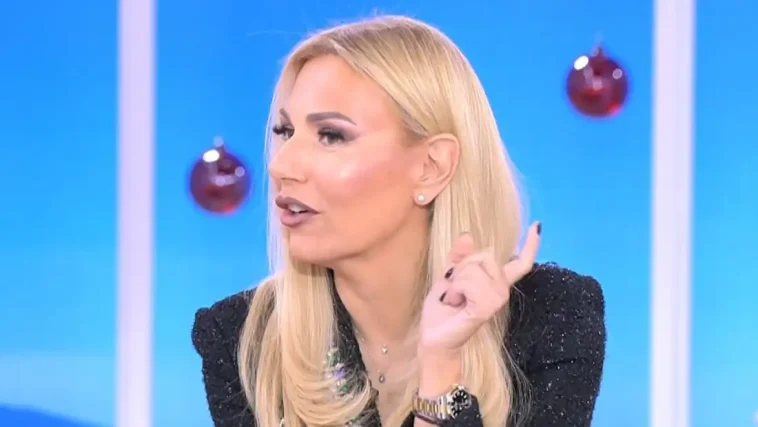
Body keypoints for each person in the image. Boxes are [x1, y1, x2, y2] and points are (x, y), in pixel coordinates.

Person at [192, 15, 606, 427]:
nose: (281, 165)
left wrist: (441, 369)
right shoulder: (243, 340)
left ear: (431, 167)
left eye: (331, 135)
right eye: (285, 132)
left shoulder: (551, 316)